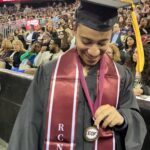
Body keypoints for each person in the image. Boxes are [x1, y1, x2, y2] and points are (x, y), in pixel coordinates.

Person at [8, 0, 146, 150]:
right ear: (75, 31)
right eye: (86, 41)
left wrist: (123, 118)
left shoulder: (121, 76)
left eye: (102, 43)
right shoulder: (49, 73)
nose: (94, 51)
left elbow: (134, 117)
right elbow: (27, 128)